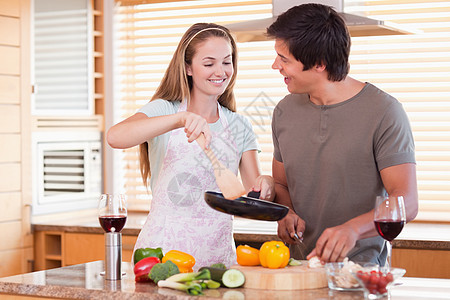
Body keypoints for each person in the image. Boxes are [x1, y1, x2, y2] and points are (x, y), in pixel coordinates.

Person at [107, 23, 274, 269]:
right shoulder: (166, 110)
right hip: (162, 257)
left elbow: (249, 198)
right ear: (188, 67)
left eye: (227, 62)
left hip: (217, 261)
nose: (221, 71)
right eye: (209, 63)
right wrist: (179, 119)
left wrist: (266, 185)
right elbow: (115, 137)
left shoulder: (239, 125)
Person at [266, 4, 418, 265]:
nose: (274, 65)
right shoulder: (284, 111)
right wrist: (285, 211)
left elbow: (406, 202)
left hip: (361, 272)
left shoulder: (384, 112)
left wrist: (353, 229)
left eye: (284, 59)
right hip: (298, 267)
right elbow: (281, 184)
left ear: (319, 64)